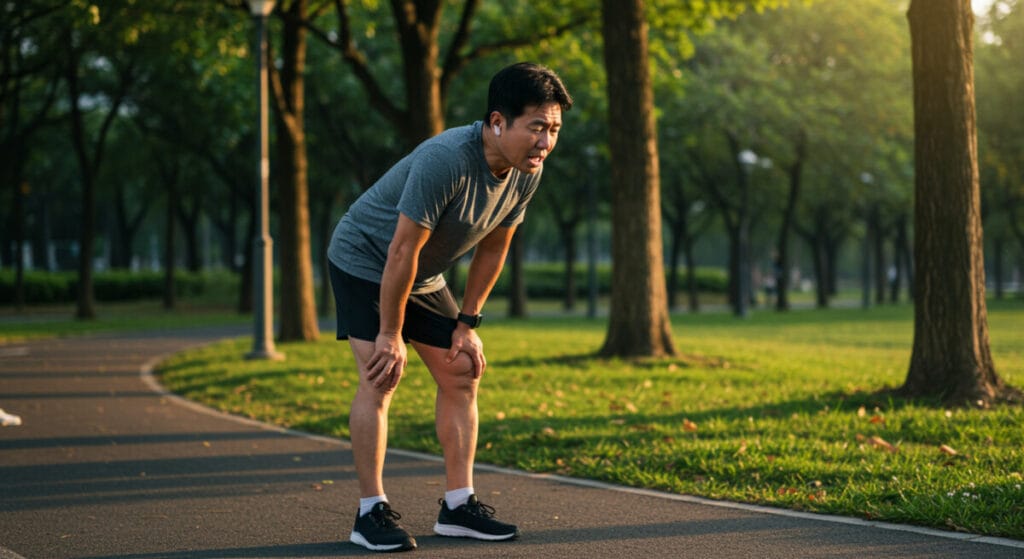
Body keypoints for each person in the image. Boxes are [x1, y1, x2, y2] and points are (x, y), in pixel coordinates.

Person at [326, 62, 572, 552]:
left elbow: (494, 247)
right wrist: (390, 334)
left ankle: (458, 506)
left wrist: (467, 323)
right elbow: (400, 251)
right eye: (537, 128)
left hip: (422, 273)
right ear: (498, 122)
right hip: (365, 259)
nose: (546, 142)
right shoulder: (448, 159)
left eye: (555, 130)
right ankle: (369, 512)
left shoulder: (526, 171)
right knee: (381, 375)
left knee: (462, 370)